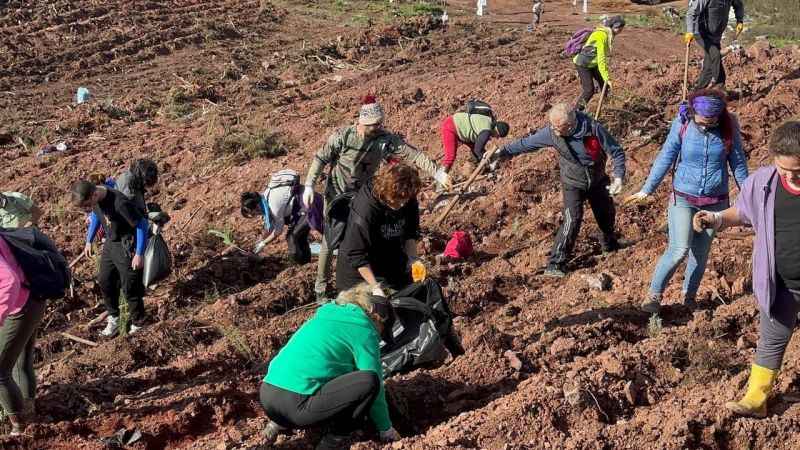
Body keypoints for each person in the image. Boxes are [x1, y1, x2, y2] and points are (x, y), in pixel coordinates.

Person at [691, 121, 800, 417]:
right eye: (784, 169)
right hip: (781, 282)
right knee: (772, 339)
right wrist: (715, 219)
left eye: (798, 171)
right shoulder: (764, 182)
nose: (791, 176)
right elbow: (742, 211)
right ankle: (756, 398)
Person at [303, 96, 451, 300]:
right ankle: (321, 289)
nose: (378, 128)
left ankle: (367, 278)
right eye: (374, 125)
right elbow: (321, 158)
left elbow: (412, 155)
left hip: (362, 196)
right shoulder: (344, 136)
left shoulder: (384, 140)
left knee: (362, 237)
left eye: (380, 124)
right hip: (337, 195)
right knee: (331, 239)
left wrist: (437, 172)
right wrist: (309, 185)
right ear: (362, 123)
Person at [625, 90, 748, 313]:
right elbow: (666, 156)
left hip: (714, 202)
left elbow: (738, 164)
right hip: (683, 198)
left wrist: (750, 197)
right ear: (693, 113)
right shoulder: (682, 124)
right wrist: (647, 189)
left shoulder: (728, 127)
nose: (708, 123)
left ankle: (688, 298)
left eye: (713, 120)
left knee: (699, 255)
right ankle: (653, 296)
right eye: (703, 119)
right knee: (679, 248)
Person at [491, 103, 626, 277]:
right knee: (572, 220)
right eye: (553, 126)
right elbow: (527, 143)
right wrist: (502, 152)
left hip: (597, 179)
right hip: (572, 182)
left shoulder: (593, 128)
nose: (555, 131)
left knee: (606, 213)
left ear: (571, 124)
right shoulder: (552, 133)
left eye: (559, 128)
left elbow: (616, 152)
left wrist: (618, 176)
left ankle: (609, 245)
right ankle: (556, 264)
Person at [259, 283, 400, 449]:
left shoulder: (327, 314)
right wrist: (386, 429)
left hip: (268, 395)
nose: (380, 337)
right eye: (383, 332)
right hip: (295, 408)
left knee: (320, 370)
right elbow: (374, 386)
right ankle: (333, 440)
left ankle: (278, 424)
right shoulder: (365, 330)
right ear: (378, 320)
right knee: (370, 381)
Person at [71, 181, 149, 337]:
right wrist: (89, 240)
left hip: (126, 244)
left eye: (87, 204)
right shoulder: (96, 198)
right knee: (105, 281)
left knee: (130, 285)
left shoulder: (119, 203)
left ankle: (139, 323)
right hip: (111, 243)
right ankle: (114, 317)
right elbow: (95, 215)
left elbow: (142, 224)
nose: (87, 208)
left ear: (94, 194)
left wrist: (139, 253)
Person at [336, 163, 423, 296]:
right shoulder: (366, 210)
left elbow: (409, 233)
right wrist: (375, 287)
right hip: (359, 273)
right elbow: (356, 254)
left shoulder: (407, 196)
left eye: (406, 200)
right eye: (398, 200)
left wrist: (412, 259)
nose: (402, 204)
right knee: (373, 309)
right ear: (387, 191)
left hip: (389, 261)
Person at [0, 235, 47, 436]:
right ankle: (29, 413)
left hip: (20, 306)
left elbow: (9, 281)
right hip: (33, 298)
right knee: (21, 361)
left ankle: (20, 429)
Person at [240, 170, 324, 264]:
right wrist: (259, 242)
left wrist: (263, 243)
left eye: (254, 213)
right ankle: (305, 262)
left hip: (308, 205)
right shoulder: (265, 198)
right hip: (301, 210)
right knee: (298, 237)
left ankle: (302, 263)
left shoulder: (273, 203)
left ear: (256, 207)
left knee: (292, 237)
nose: (257, 215)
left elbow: (277, 231)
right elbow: (269, 227)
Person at [83, 159, 159, 258]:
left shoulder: (128, 176)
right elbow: (139, 222)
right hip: (123, 238)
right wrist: (139, 253)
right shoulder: (129, 193)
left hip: (115, 234)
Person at [685, 0, 744, 90]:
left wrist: (740, 20)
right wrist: (690, 31)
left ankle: (699, 91)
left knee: (709, 63)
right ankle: (719, 83)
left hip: (716, 35)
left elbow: (738, 5)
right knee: (715, 55)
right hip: (701, 33)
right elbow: (692, 12)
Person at [573, 15, 625, 111]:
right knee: (589, 90)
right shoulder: (602, 35)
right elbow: (601, 60)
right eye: (620, 28)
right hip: (583, 64)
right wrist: (606, 78)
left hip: (592, 63)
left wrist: (606, 80)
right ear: (615, 26)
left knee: (605, 87)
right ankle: (575, 112)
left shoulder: (608, 34)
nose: (621, 31)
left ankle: (605, 107)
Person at [439, 109, 509, 173]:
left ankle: (475, 169)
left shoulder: (489, 121)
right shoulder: (486, 132)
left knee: (476, 149)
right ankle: (439, 183)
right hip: (451, 127)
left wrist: (485, 156)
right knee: (450, 157)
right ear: (498, 132)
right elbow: (477, 150)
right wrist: (487, 159)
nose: (496, 138)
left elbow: (477, 148)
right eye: (498, 136)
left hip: (458, 123)